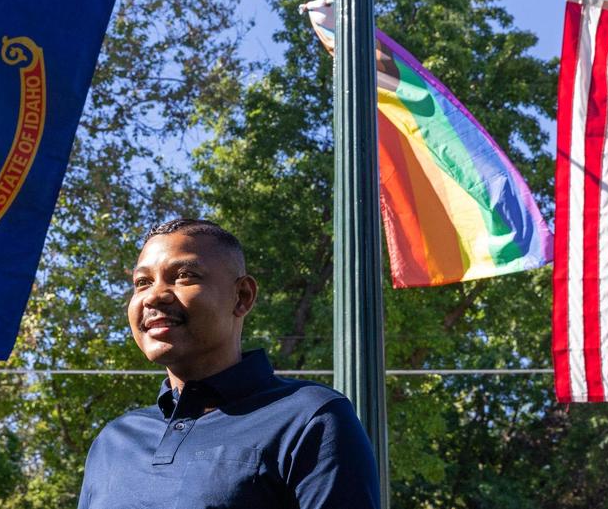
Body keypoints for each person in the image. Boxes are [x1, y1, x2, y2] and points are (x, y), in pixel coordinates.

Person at [77, 218, 380, 509]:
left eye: (184, 276)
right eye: (142, 282)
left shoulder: (309, 419)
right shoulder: (113, 442)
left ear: (242, 296)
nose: (154, 296)